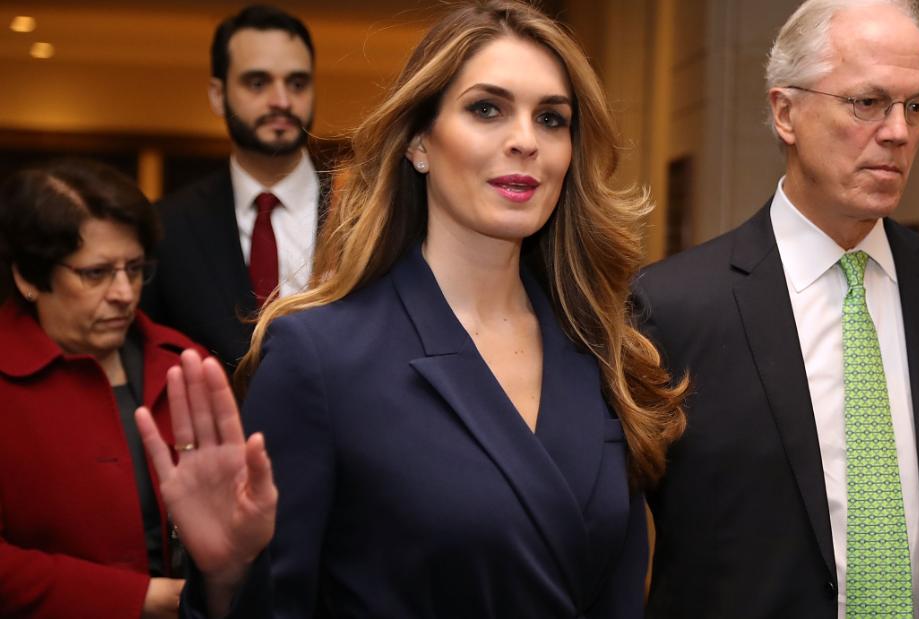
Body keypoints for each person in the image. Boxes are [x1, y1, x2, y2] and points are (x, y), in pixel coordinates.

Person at [135, 1, 687, 617]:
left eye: (552, 119)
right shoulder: (320, 356)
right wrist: (225, 579)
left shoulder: (604, 351)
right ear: (420, 143)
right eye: (487, 109)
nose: (526, 141)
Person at [633, 1, 919, 617]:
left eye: (915, 107)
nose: (897, 132)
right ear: (785, 112)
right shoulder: (672, 306)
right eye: (867, 103)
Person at [0, 159, 206, 618]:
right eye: (95, 274)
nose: (124, 292)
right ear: (29, 278)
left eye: (133, 269)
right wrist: (145, 599)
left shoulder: (186, 364)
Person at [141, 4, 329, 370]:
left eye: (297, 83)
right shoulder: (167, 226)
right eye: (257, 83)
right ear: (217, 94)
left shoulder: (366, 210)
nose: (282, 101)